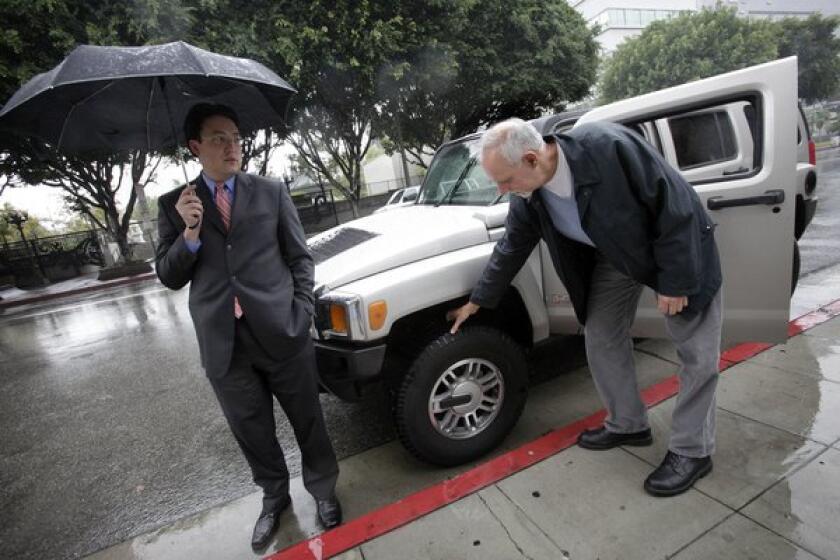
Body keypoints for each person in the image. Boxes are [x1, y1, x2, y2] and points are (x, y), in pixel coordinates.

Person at [449, 118, 722, 497]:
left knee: (696, 352)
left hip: (673, 245)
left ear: (531, 158)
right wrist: (478, 300)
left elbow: (674, 205)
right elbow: (512, 244)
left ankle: (693, 450)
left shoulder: (607, 147)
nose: (502, 190)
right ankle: (628, 424)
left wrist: (675, 280)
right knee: (600, 334)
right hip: (616, 255)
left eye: (505, 180)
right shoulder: (529, 193)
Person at [155, 103, 341, 551]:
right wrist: (191, 232)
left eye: (236, 137)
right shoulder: (175, 205)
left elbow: (299, 257)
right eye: (219, 138)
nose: (232, 146)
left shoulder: (270, 191)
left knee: (308, 420)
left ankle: (323, 489)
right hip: (224, 342)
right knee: (251, 429)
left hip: (282, 329)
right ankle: (274, 497)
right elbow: (169, 274)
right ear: (195, 147)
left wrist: (299, 311)